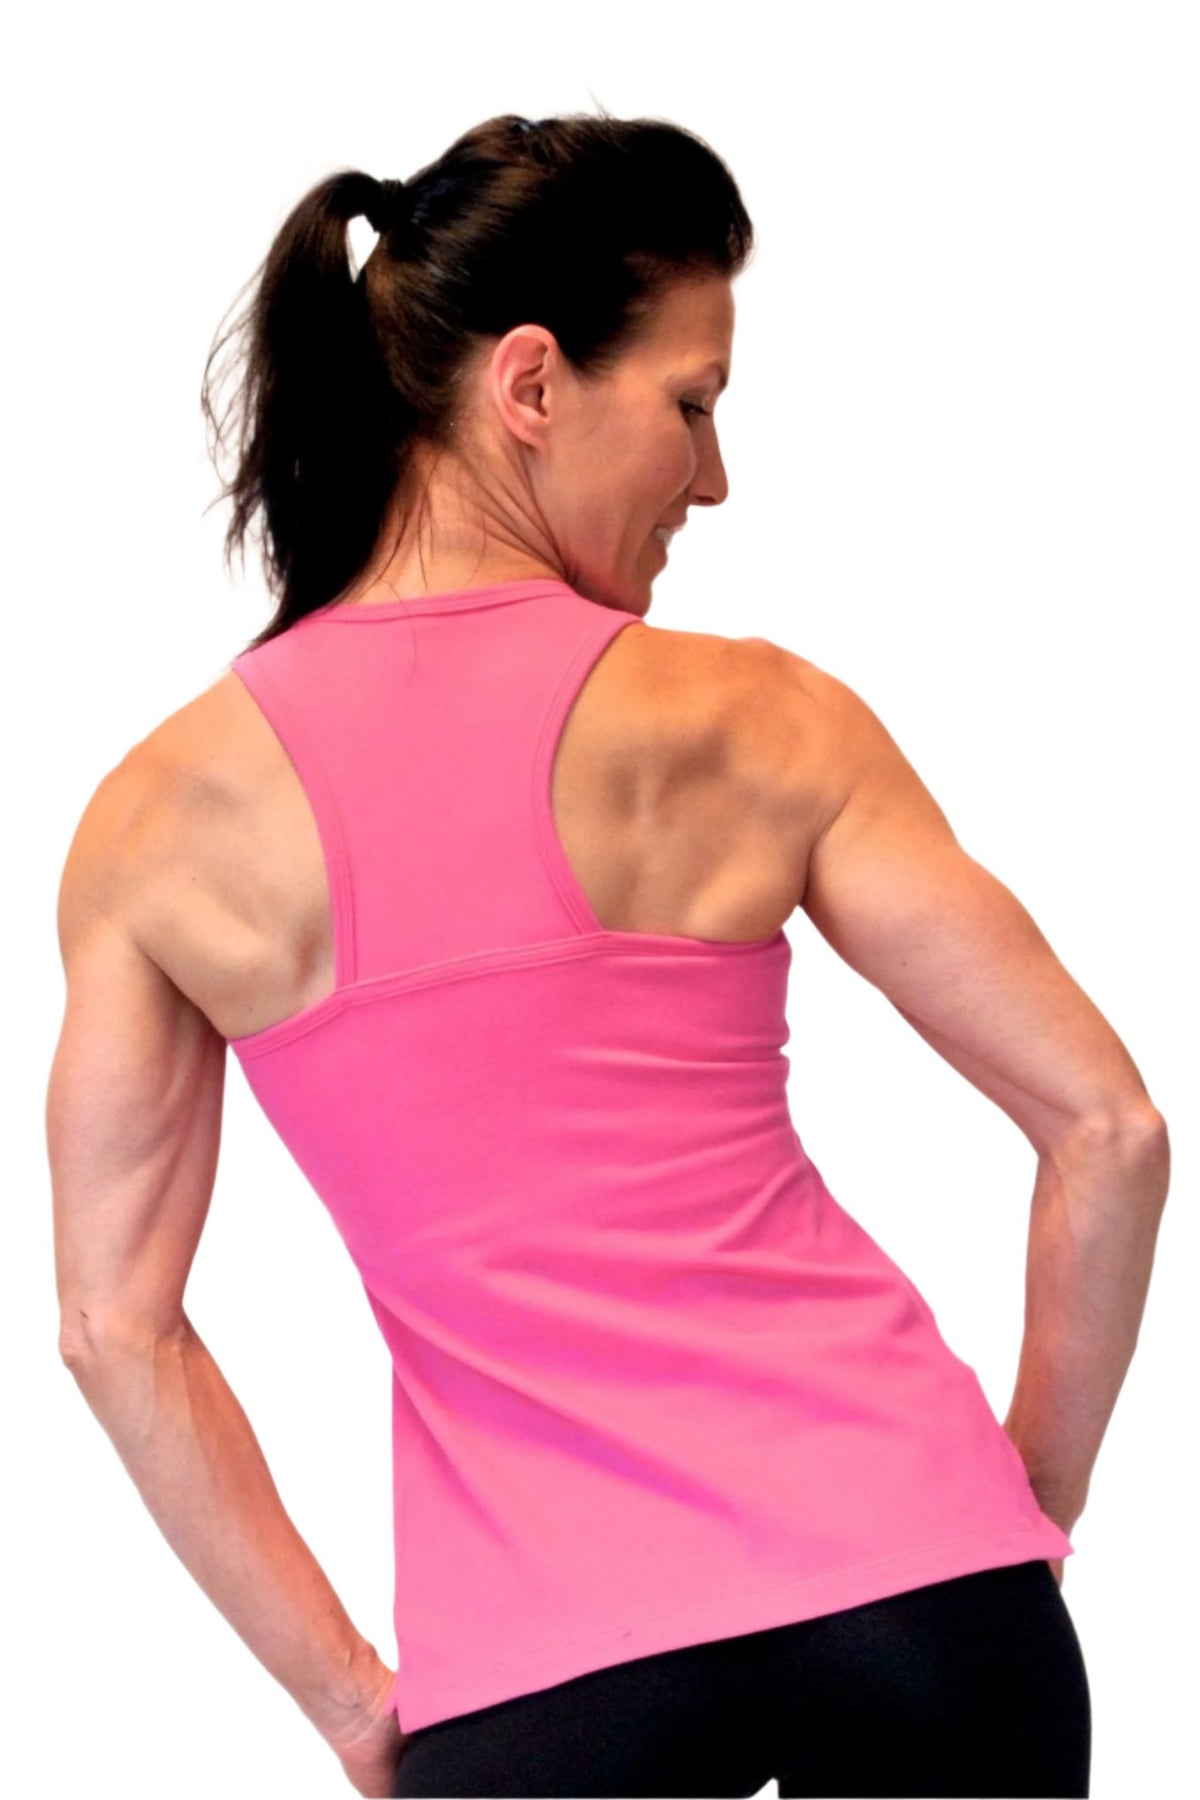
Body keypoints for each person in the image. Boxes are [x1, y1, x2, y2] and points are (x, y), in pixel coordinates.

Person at [46, 110, 1169, 1800]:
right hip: (926, 1602)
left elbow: (111, 1327)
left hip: (546, 1682)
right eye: (692, 405)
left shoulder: (156, 821)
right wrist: (1024, 1512)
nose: (713, 480)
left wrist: (353, 1703)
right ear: (531, 384)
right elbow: (1110, 1128)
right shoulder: (760, 715)